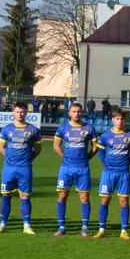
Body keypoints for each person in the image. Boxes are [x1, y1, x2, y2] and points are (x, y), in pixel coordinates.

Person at [53, 102, 98, 237]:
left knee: (84, 197)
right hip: (66, 168)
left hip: (82, 168)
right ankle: (61, 227)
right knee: (62, 196)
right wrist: (64, 157)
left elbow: (95, 146)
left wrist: (87, 158)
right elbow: (56, 145)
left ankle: (84, 227)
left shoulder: (89, 128)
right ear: (69, 113)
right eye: (74, 111)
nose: (76, 114)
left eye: (79, 111)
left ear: (82, 112)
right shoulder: (63, 128)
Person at [0, 102, 41, 234]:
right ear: (13, 113)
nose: (20, 114)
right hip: (9, 168)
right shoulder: (6, 129)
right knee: (6, 195)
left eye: (22, 112)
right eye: (17, 112)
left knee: (25, 196)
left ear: (26, 113)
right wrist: (10, 158)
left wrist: (27, 159)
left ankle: (26, 226)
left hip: (25, 168)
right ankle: (2, 224)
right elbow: (1, 147)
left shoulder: (32, 130)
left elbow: (38, 149)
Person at [95, 109, 130, 239]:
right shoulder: (105, 136)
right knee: (105, 199)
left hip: (123, 173)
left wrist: (126, 163)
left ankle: (124, 230)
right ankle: (101, 229)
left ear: (125, 120)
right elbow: (101, 153)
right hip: (108, 173)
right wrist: (107, 164)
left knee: (124, 201)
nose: (120, 121)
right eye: (117, 119)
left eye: (122, 119)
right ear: (113, 120)